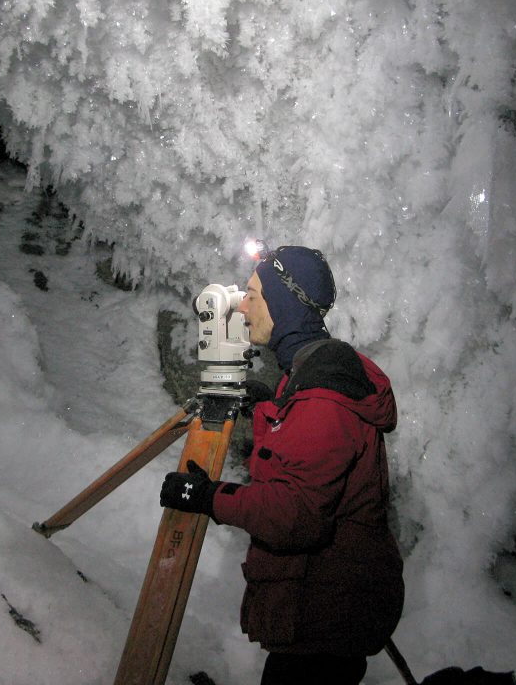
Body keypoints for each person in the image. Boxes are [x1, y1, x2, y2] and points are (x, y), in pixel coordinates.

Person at [160, 245, 404, 685]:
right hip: (325, 603)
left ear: (285, 304)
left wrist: (211, 498)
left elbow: (295, 516)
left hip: (326, 612)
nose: (244, 308)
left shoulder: (321, 398)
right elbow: (308, 449)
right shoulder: (311, 371)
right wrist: (269, 404)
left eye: (253, 295)